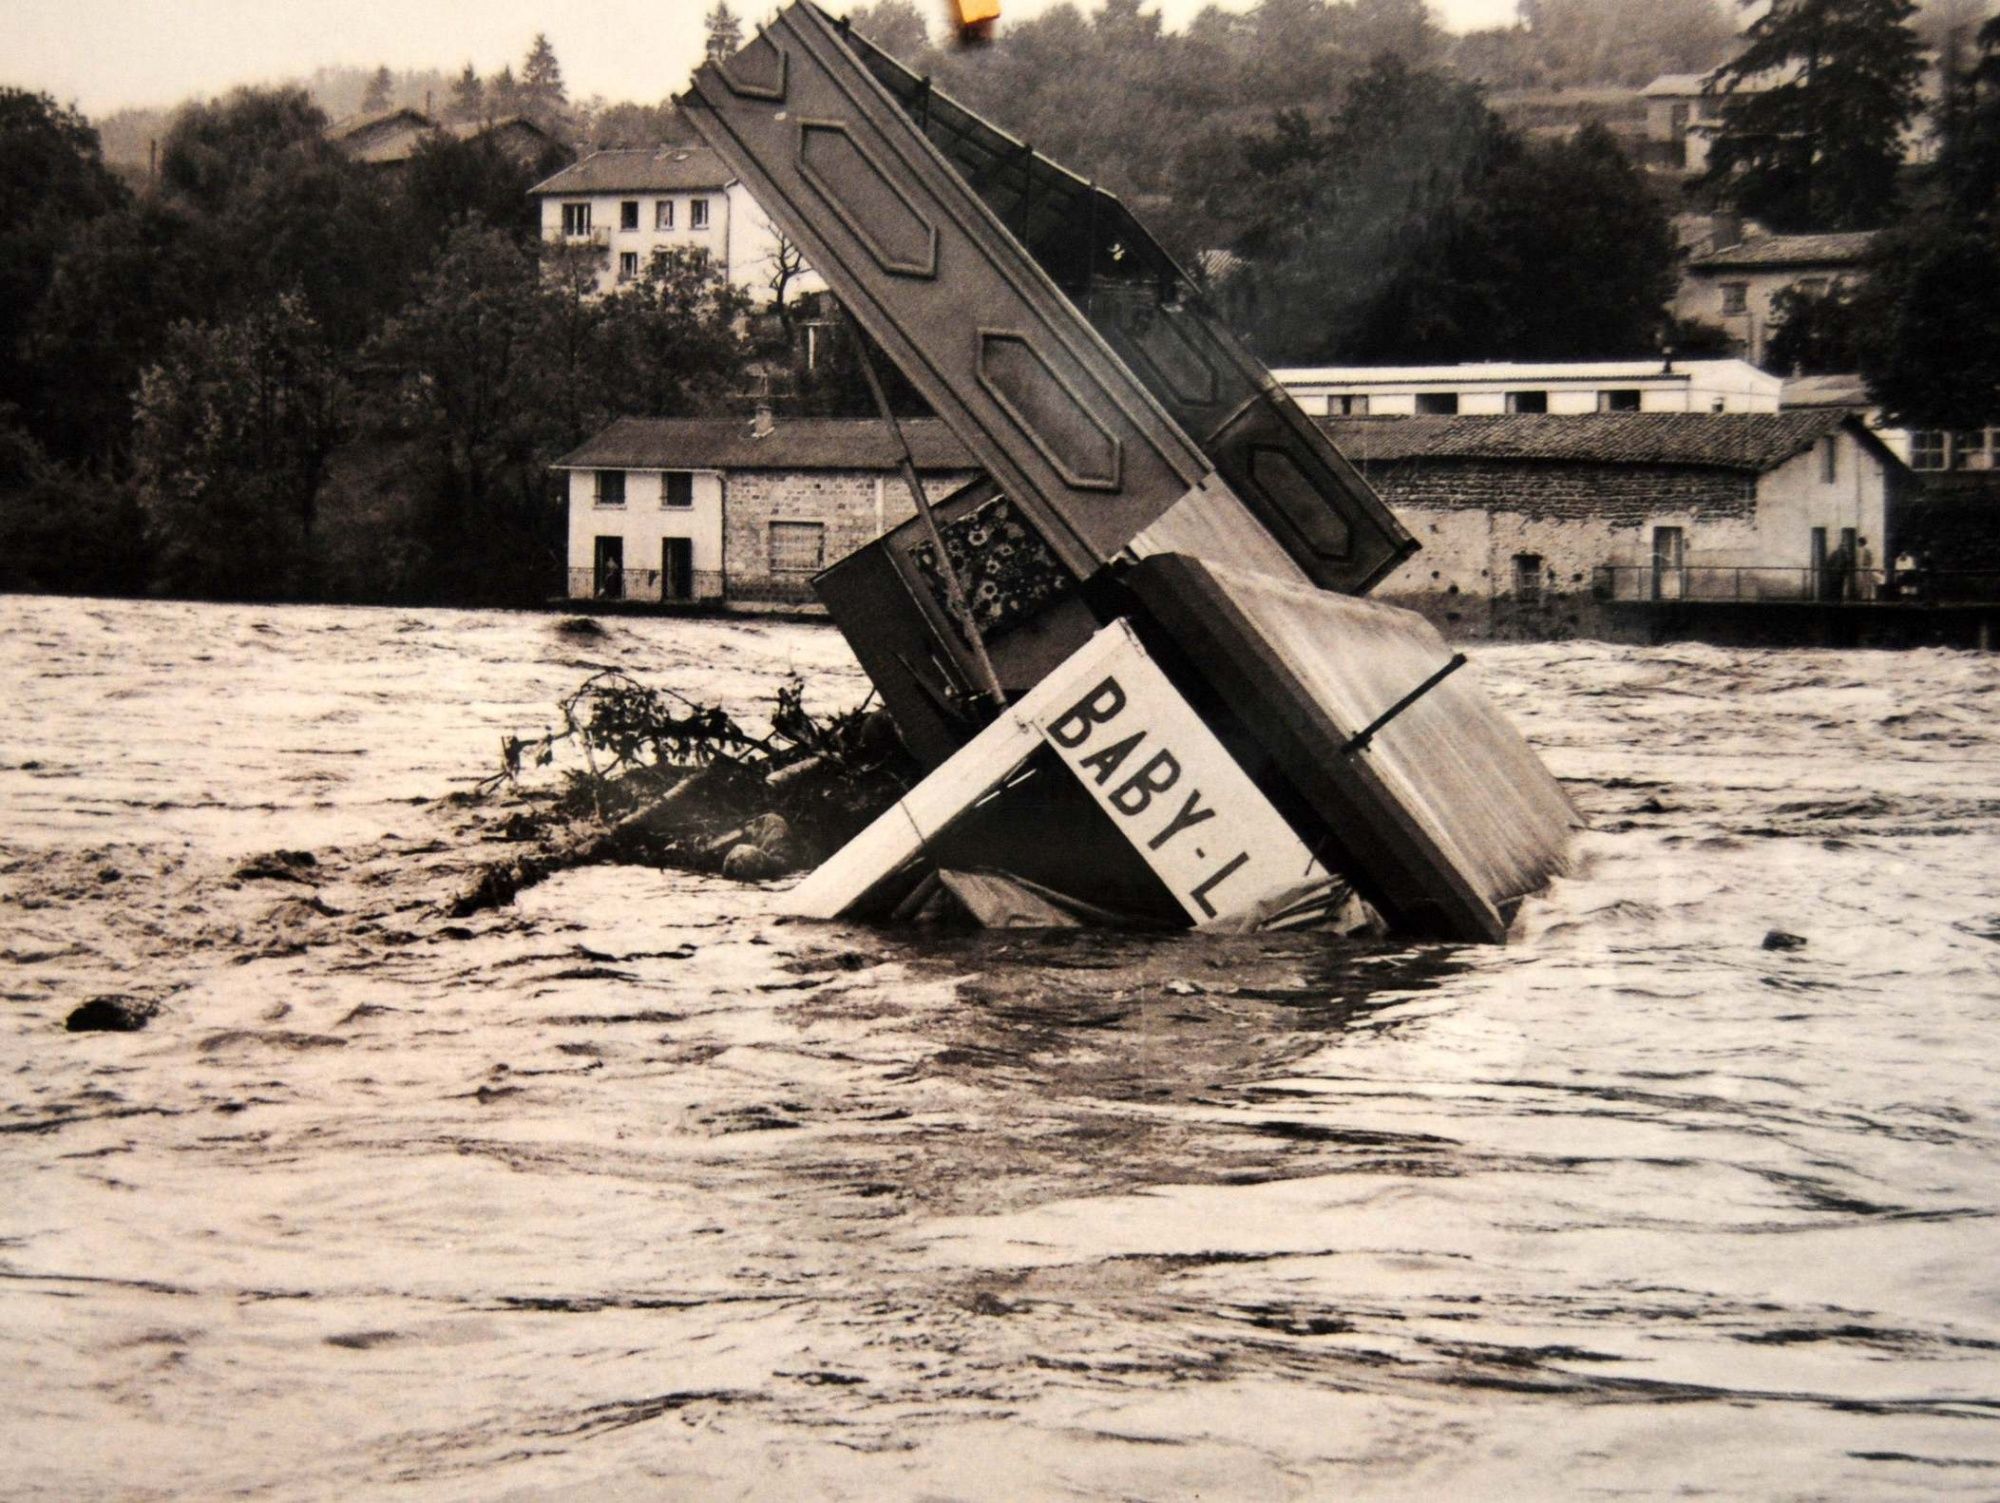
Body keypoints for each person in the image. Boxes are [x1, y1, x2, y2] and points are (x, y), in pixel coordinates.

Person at [1825, 536, 1854, 602]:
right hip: (1840, 574)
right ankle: (1838, 599)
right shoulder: (1844, 554)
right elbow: (1848, 562)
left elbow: (1829, 562)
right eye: (1843, 547)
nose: (1844, 548)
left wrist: (1830, 570)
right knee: (1839, 587)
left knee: (1834, 587)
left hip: (1834, 574)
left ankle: (1833, 599)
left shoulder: (1834, 553)